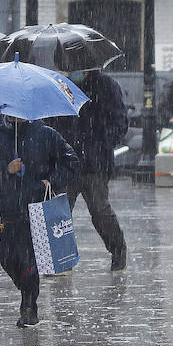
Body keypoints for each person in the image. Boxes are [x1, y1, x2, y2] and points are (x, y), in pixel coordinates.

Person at [0, 116, 80, 327]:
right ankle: (27, 289)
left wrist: (51, 181)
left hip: (35, 206)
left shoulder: (46, 134)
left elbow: (71, 161)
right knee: (7, 258)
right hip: (8, 208)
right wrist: (6, 169)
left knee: (28, 259)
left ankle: (28, 305)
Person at [58, 69, 130, 272]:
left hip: (95, 162)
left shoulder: (106, 86)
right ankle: (60, 259)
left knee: (99, 209)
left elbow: (120, 122)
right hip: (66, 161)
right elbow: (52, 121)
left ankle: (118, 248)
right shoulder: (60, 86)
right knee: (60, 214)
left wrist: (99, 142)